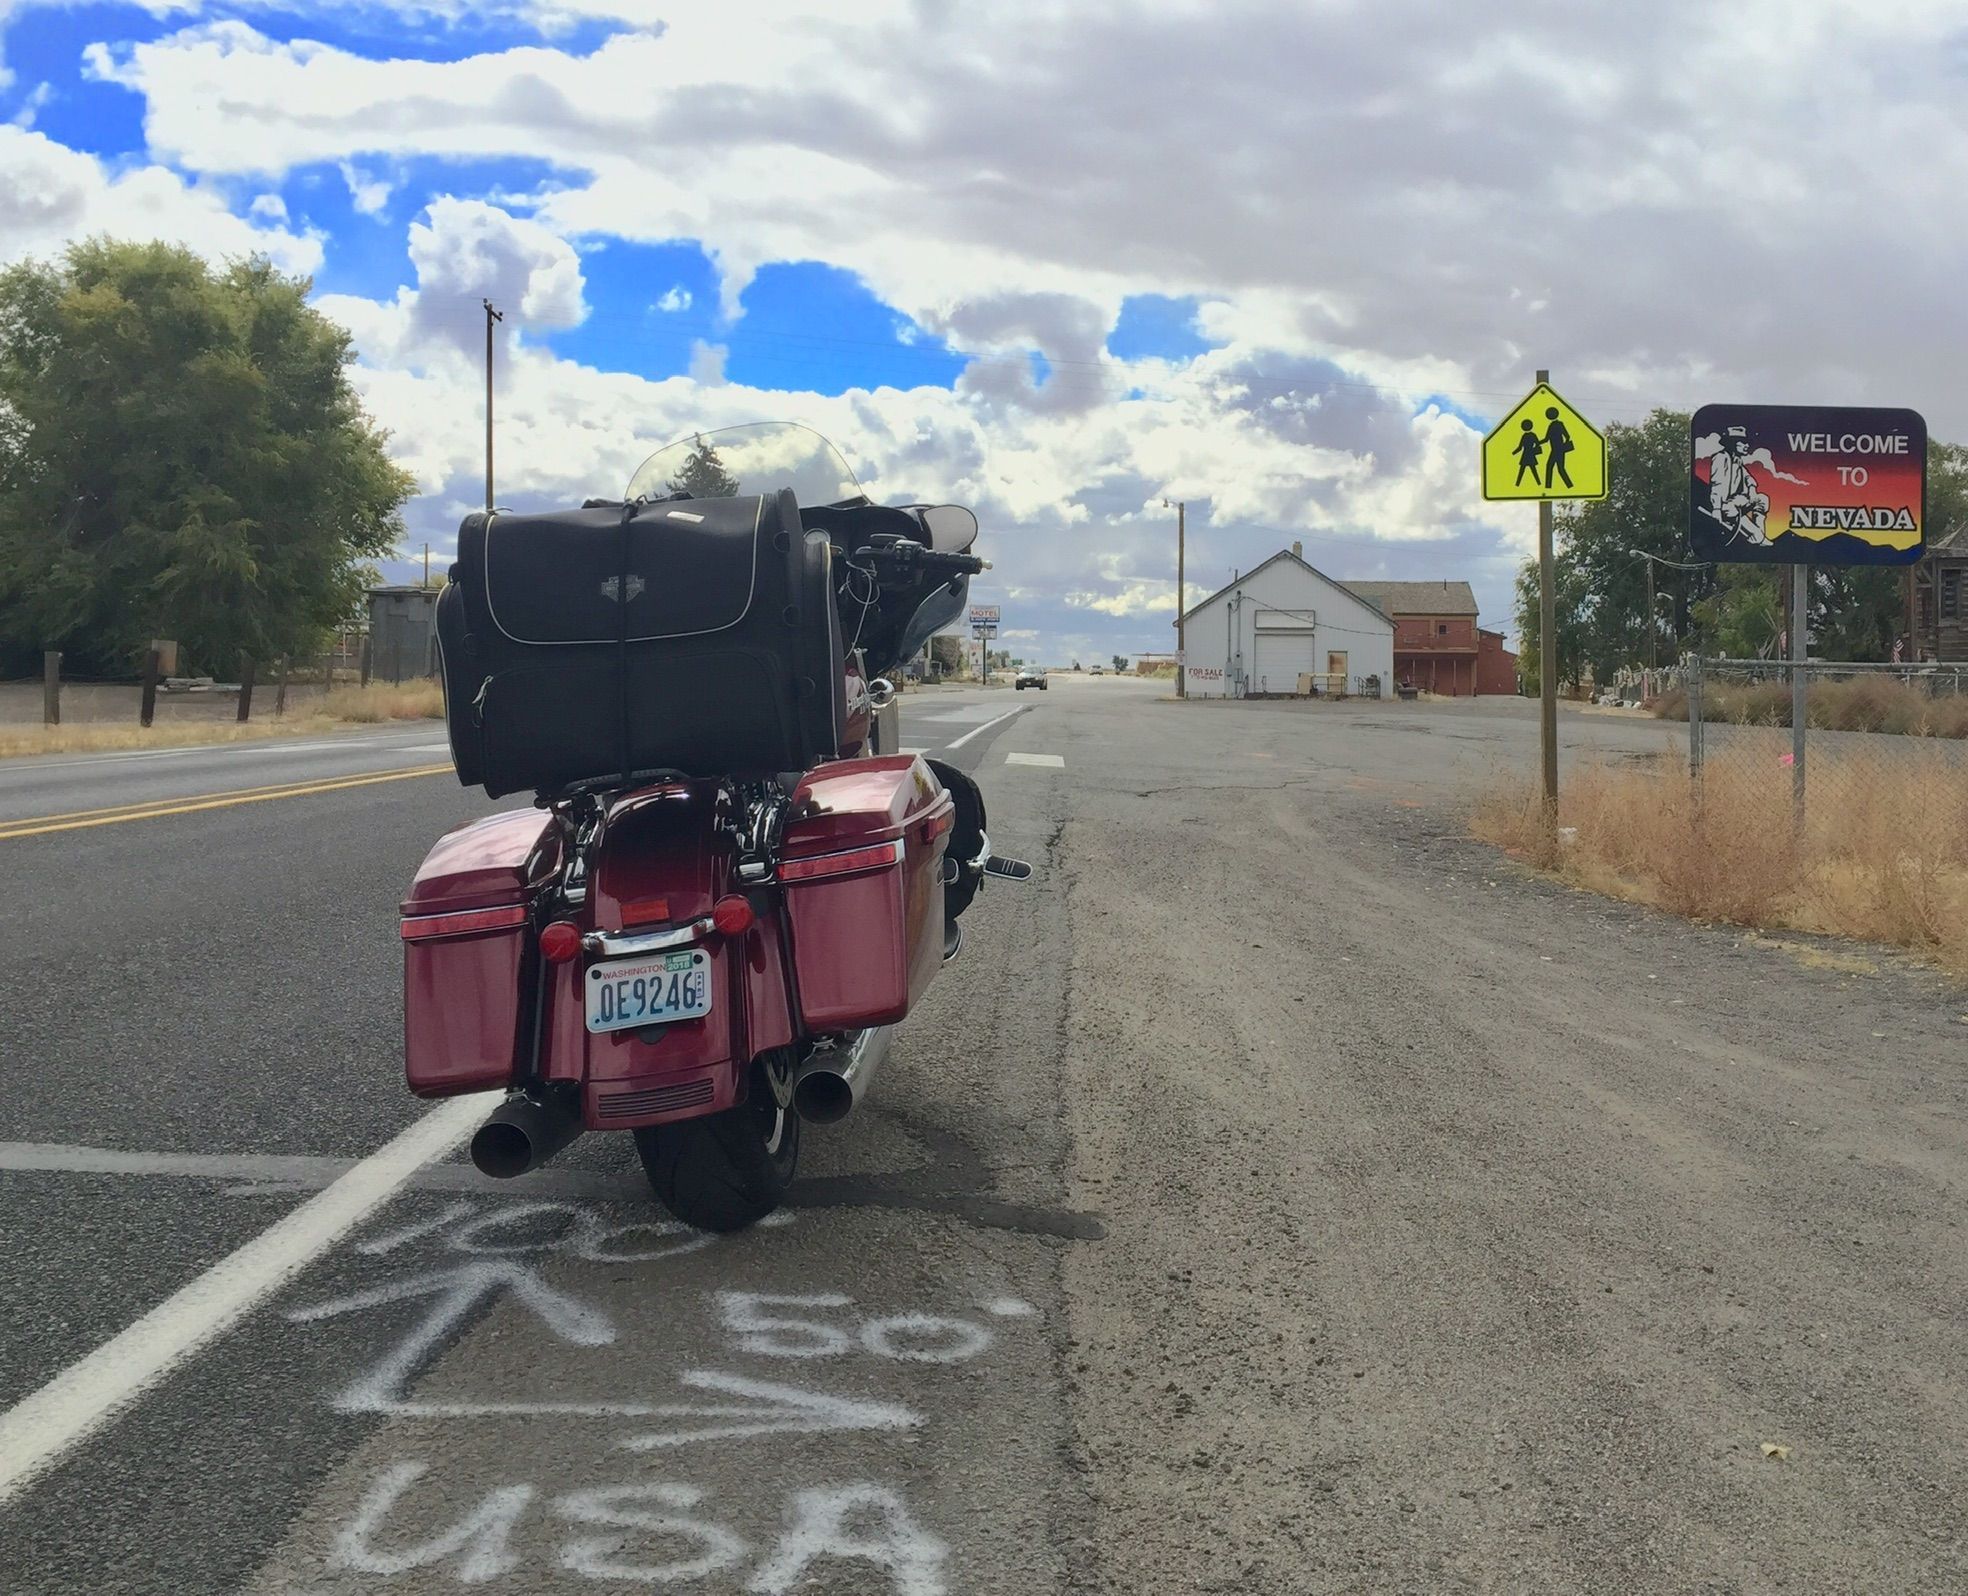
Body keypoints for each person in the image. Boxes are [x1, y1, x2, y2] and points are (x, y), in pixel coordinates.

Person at [1707, 425, 1770, 544]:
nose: (1747, 446)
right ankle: (1757, 536)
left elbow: (1749, 478)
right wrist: (1716, 509)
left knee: (1762, 499)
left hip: (1739, 500)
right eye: (1743, 442)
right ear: (1732, 443)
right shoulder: (1721, 458)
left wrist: (1752, 490)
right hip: (1725, 504)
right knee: (1732, 510)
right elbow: (1717, 485)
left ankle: (1759, 535)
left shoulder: (1738, 461)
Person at [1541, 407, 1575, 490]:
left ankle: (1550, 486)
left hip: (1557, 450)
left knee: (1554, 467)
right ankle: (1568, 486)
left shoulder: (1555, 425)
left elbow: (1546, 439)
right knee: (1557, 468)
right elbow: (1567, 436)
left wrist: (1537, 443)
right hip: (1557, 450)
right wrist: (1563, 446)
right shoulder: (1556, 425)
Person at [1511, 419, 1543, 486]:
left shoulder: (1524, 436)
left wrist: (1513, 453)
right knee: (1531, 470)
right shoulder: (1532, 435)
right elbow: (1537, 444)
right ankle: (1538, 483)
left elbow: (1520, 447)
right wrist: (1512, 453)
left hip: (1526, 455)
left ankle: (1517, 484)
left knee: (1524, 471)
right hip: (1530, 455)